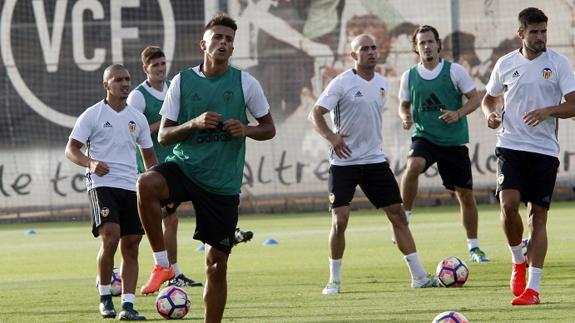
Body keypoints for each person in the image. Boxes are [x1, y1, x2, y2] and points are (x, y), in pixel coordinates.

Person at [136, 14, 275, 322]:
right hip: (185, 168)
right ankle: (162, 264)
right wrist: (194, 123)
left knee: (216, 264)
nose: (223, 43)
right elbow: (163, 135)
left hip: (222, 184)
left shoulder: (245, 82)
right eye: (218, 38)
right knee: (146, 183)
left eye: (228, 39)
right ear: (204, 44)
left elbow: (269, 128)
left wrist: (247, 130)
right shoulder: (183, 82)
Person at [308, 33, 439, 296]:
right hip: (344, 163)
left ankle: (419, 277)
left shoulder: (381, 83)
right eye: (364, 49)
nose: (371, 52)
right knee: (340, 220)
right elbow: (315, 113)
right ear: (353, 55)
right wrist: (332, 137)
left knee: (398, 216)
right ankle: (334, 280)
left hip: (375, 161)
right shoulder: (342, 82)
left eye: (373, 48)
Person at [127, 46, 253, 289]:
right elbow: (134, 131)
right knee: (130, 231)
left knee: (171, 220)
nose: (161, 69)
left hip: (181, 162)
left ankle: (172, 269)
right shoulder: (139, 96)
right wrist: (174, 125)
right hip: (156, 165)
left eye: (163, 64)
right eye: (155, 66)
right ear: (146, 69)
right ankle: (140, 270)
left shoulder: (175, 85)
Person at [482, 7, 575, 305]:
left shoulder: (558, 64)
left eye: (544, 31)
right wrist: (490, 115)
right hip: (510, 145)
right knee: (508, 207)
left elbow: (573, 105)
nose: (540, 37)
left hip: (544, 151)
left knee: (538, 218)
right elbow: (488, 98)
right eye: (534, 32)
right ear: (521, 34)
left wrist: (550, 110)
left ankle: (533, 289)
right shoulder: (506, 63)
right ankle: (516, 260)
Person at [65, 64, 156, 320]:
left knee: (132, 244)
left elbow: (149, 156)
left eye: (127, 79)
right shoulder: (92, 115)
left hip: (130, 185)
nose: (125, 84)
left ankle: (128, 305)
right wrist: (90, 163)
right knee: (111, 237)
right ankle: (105, 297)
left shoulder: (137, 118)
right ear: (106, 84)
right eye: (118, 80)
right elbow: (71, 149)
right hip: (101, 184)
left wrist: (155, 184)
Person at [397, 25, 489, 263]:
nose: (426, 46)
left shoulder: (455, 71)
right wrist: (405, 117)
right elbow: (403, 104)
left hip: (453, 141)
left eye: (430, 42)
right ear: (416, 48)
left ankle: (474, 247)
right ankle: (404, 216)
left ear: (438, 44)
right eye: (422, 43)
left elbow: (475, 98)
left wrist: (457, 113)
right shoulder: (409, 76)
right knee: (413, 165)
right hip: (425, 136)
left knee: (465, 196)